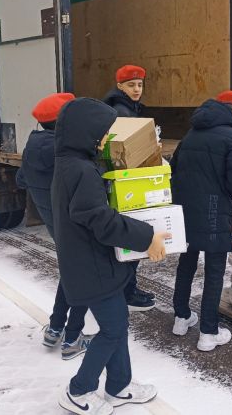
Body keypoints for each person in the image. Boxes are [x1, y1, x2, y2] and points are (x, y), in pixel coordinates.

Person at [52, 97, 170, 415]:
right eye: (103, 133)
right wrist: (147, 237)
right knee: (113, 329)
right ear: (86, 133)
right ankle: (79, 390)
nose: (106, 140)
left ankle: (118, 386)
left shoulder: (72, 164)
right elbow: (101, 222)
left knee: (117, 323)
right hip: (91, 267)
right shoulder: (81, 171)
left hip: (93, 264)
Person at [170, 91, 232, 351]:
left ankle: (181, 318)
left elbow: (174, 168)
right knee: (214, 271)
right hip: (214, 211)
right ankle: (208, 331)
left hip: (185, 210)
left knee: (187, 262)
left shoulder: (191, 133)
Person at [16, 92, 92, 360]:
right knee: (85, 277)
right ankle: (72, 339)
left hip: (55, 225)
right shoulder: (65, 156)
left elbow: (21, 179)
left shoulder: (32, 147)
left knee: (70, 274)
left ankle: (55, 327)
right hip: (74, 226)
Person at [102, 64, 156, 312]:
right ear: (120, 86)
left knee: (129, 238)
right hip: (126, 181)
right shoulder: (120, 111)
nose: (137, 89)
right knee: (129, 239)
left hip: (125, 180)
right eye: (131, 85)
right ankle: (126, 291)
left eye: (140, 85)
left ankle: (128, 288)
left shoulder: (127, 108)